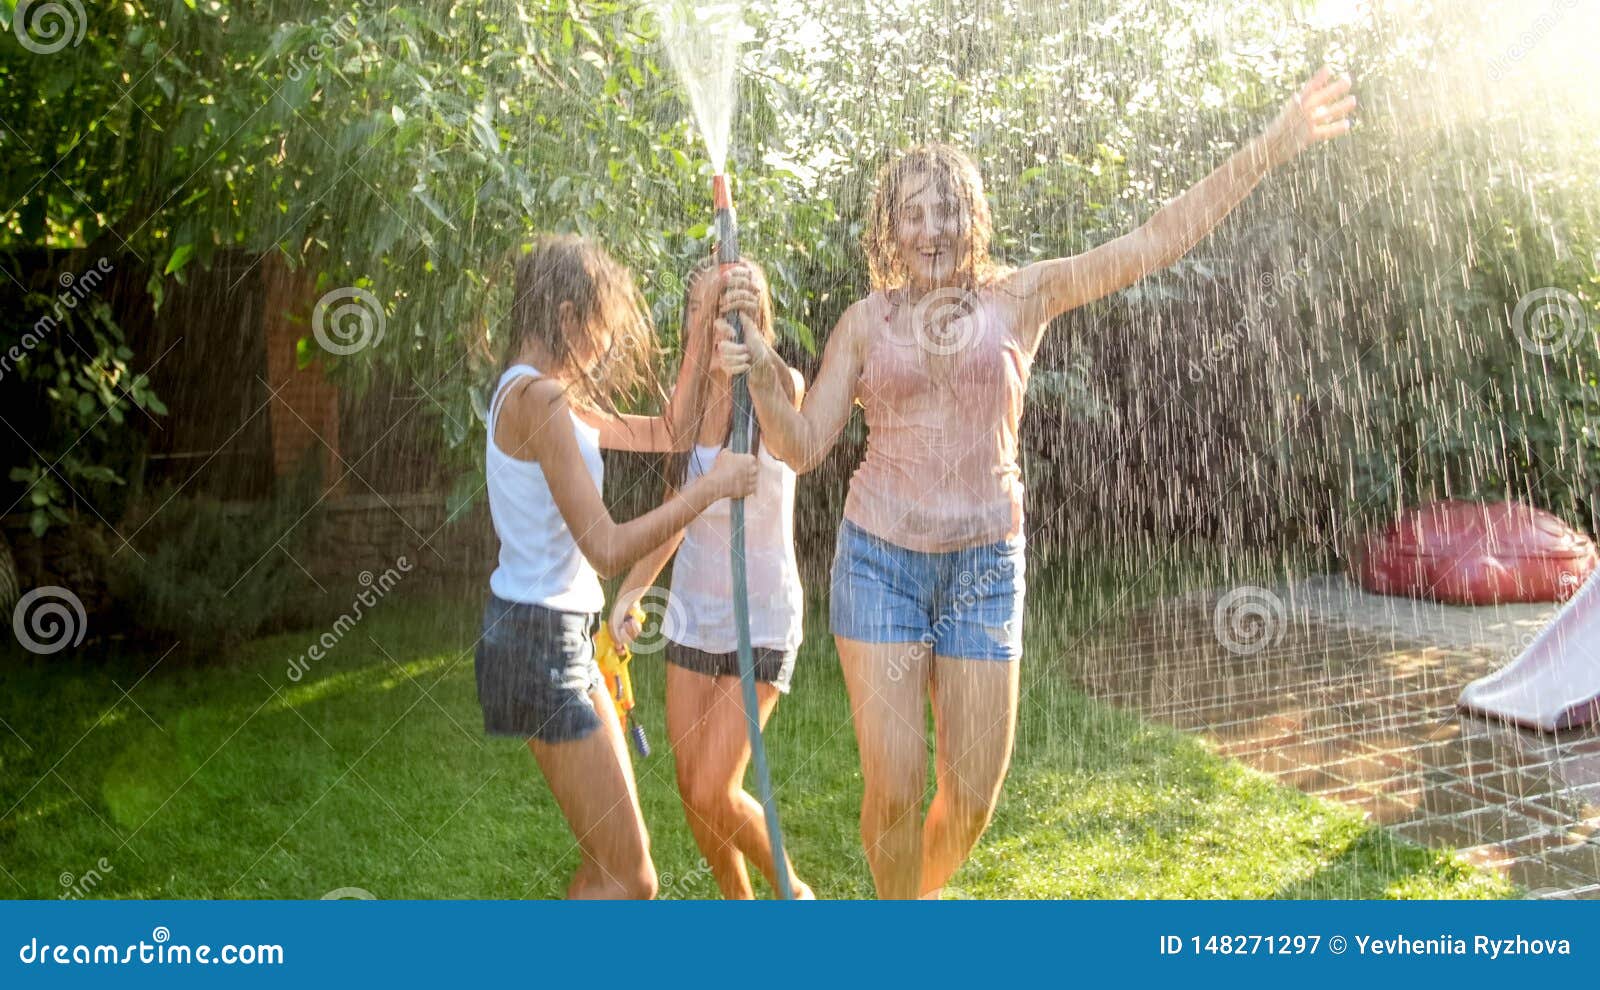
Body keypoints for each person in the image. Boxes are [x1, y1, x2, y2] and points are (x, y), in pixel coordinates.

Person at [719, 69, 1357, 898]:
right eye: (912, 212)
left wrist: (1274, 145)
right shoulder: (866, 322)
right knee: (897, 786)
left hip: (986, 568)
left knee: (974, 797)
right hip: (880, 563)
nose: (931, 227)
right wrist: (766, 367)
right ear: (891, 227)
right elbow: (801, 446)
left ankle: (903, 910)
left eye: (945, 208)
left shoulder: (1023, 294)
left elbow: (1156, 240)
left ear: (971, 215)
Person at [474, 234, 757, 899]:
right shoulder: (538, 403)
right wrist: (709, 489)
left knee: (620, 871)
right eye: (601, 326)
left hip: (556, 636)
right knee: (630, 878)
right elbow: (604, 547)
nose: (605, 345)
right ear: (568, 316)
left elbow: (669, 430)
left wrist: (701, 330)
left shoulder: (547, 397)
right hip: (536, 644)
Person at [610, 260, 814, 899]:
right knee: (691, 788)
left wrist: (753, 341)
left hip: (763, 617)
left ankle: (794, 896)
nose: (710, 320)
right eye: (698, 309)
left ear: (754, 311)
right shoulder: (694, 406)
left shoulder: (778, 387)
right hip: (693, 614)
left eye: (723, 306)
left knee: (712, 787)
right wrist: (632, 591)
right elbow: (682, 510)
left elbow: (785, 387)